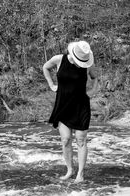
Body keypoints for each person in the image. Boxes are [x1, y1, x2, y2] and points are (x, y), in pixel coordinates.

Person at [42, 40, 98, 183]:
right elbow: (45, 67)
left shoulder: (87, 64)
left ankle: (80, 173)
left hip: (81, 106)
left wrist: (92, 91)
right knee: (66, 140)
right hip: (63, 105)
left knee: (81, 139)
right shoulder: (59, 59)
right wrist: (51, 84)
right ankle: (69, 170)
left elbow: (95, 77)